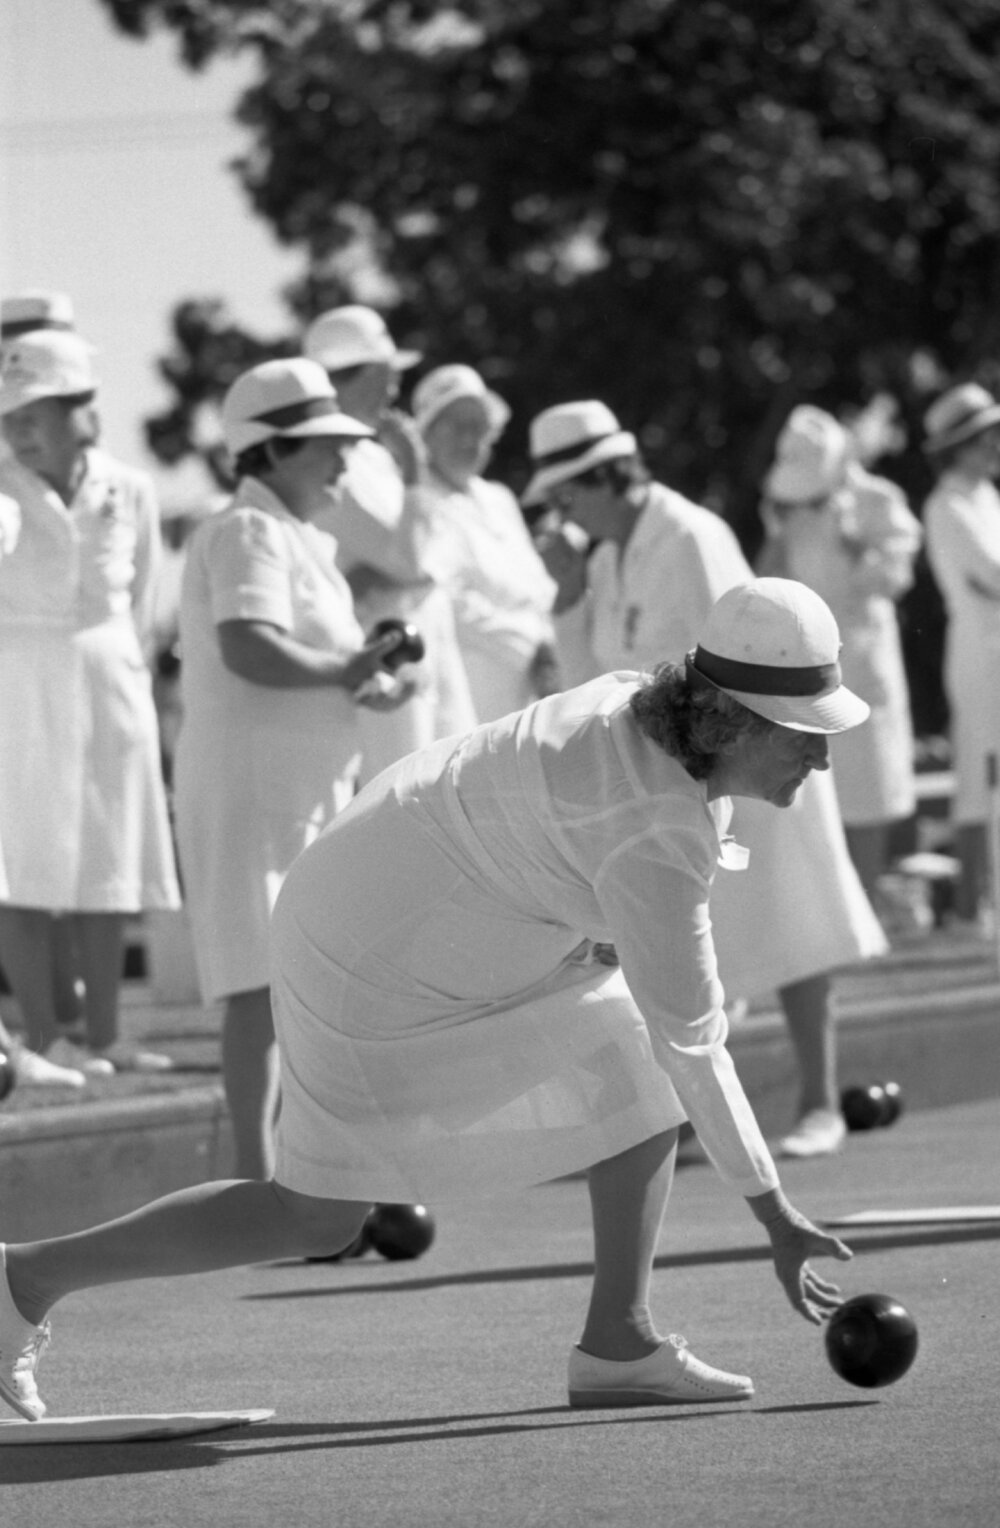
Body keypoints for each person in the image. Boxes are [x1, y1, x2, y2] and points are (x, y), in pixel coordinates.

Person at [0, 578, 858, 1423]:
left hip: (397, 899)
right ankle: (22, 1277)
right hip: (368, 943)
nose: (821, 755)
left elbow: (547, 847)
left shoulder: (642, 708)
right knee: (317, 1215)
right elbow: (695, 1039)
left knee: (633, 1060)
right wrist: (776, 1216)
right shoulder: (653, 826)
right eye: (804, 735)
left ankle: (619, 1344)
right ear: (731, 723)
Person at [527, 401, 886, 1160]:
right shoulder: (599, 560)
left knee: (795, 923)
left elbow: (762, 659)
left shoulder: (688, 533)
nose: (561, 516)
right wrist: (565, 598)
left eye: (565, 497)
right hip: (690, 770)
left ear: (606, 478)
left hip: (760, 748)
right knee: (708, 940)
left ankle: (821, 1102)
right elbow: (594, 681)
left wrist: (758, 752)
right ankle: (700, 1115)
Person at [172, 358, 415, 1181]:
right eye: (323, 446)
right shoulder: (246, 531)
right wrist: (347, 671)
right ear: (270, 453)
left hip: (297, 791)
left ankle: (296, 1174)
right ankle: (256, 1181)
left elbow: (298, 655)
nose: (344, 461)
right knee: (258, 985)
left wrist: (362, 678)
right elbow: (250, 645)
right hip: (249, 789)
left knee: (299, 981)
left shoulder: (296, 539)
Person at [0, 326, 179, 1078]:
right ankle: (46, 1036)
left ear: (85, 413)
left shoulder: (132, 486)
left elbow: (143, 596)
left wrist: (123, 666)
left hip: (111, 676)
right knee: (23, 859)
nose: (20, 430)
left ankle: (103, 1034)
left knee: (111, 852)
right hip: (21, 682)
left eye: (35, 412)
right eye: (10, 416)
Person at [758, 405, 922, 913]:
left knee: (868, 781)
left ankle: (867, 902)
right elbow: (766, 577)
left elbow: (898, 576)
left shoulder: (878, 500)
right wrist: (781, 535)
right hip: (806, 662)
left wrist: (859, 551)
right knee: (814, 780)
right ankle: (832, 907)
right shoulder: (788, 509)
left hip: (864, 656)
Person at [304, 306, 475, 780]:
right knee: (404, 788)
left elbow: (444, 555)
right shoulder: (334, 463)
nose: (395, 389)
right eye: (387, 374)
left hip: (430, 639)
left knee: (455, 779)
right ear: (350, 378)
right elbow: (412, 560)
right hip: (387, 655)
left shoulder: (377, 457)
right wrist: (417, 475)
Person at [410, 364, 559, 721]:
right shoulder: (418, 502)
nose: (469, 439)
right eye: (456, 426)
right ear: (426, 435)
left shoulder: (499, 499)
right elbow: (445, 599)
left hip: (537, 689)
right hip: (468, 698)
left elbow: (539, 588)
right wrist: (530, 647)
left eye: (479, 427)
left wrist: (553, 650)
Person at [922, 382, 1000, 927]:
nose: (995, 444)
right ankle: (975, 908)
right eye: (983, 437)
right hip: (981, 655)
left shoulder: (986, 497)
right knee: (981, 775)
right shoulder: (946, 505)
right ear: (960, 446)